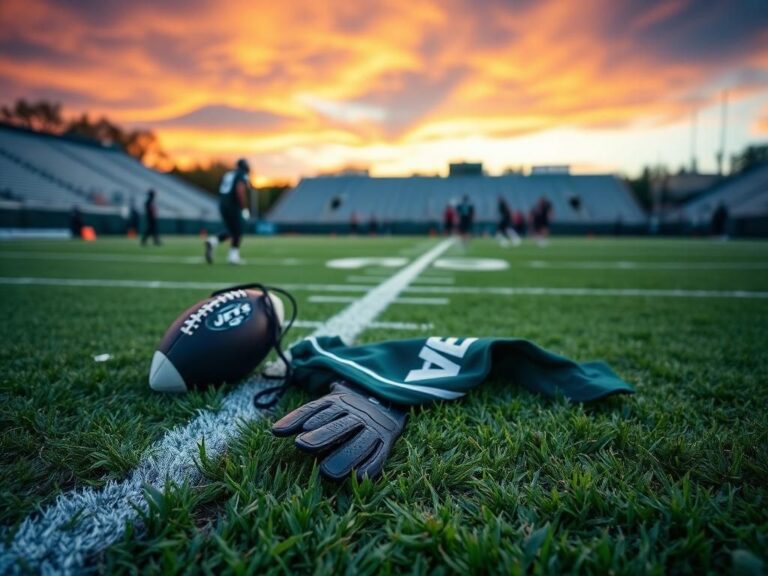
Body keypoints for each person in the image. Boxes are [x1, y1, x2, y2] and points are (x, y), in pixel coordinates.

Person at [205, 158, 252, 265]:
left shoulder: (228, 174)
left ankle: (213, 241)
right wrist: (244, 207)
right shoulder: (241, 174)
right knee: (238, 229)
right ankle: (233, 256)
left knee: (232, 230)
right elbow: (239, 190)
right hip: (233, 205)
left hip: (222, 204)